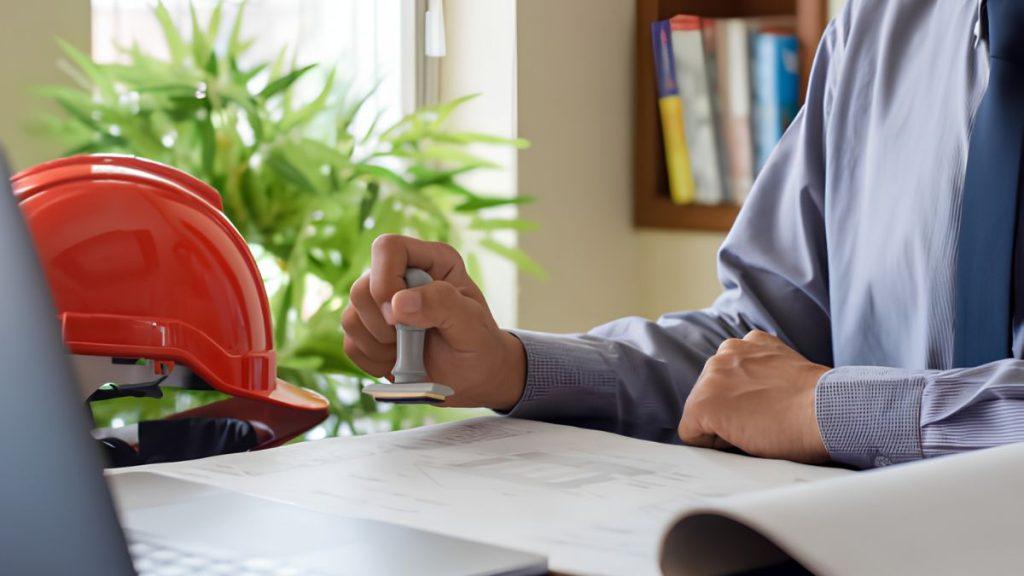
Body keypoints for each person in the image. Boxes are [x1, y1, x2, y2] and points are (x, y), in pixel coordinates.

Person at [341, 0, 1024, 469]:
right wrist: (508, 366)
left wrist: (833, 409)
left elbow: (797, 396)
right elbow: (757, 354)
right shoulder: (875, 31)